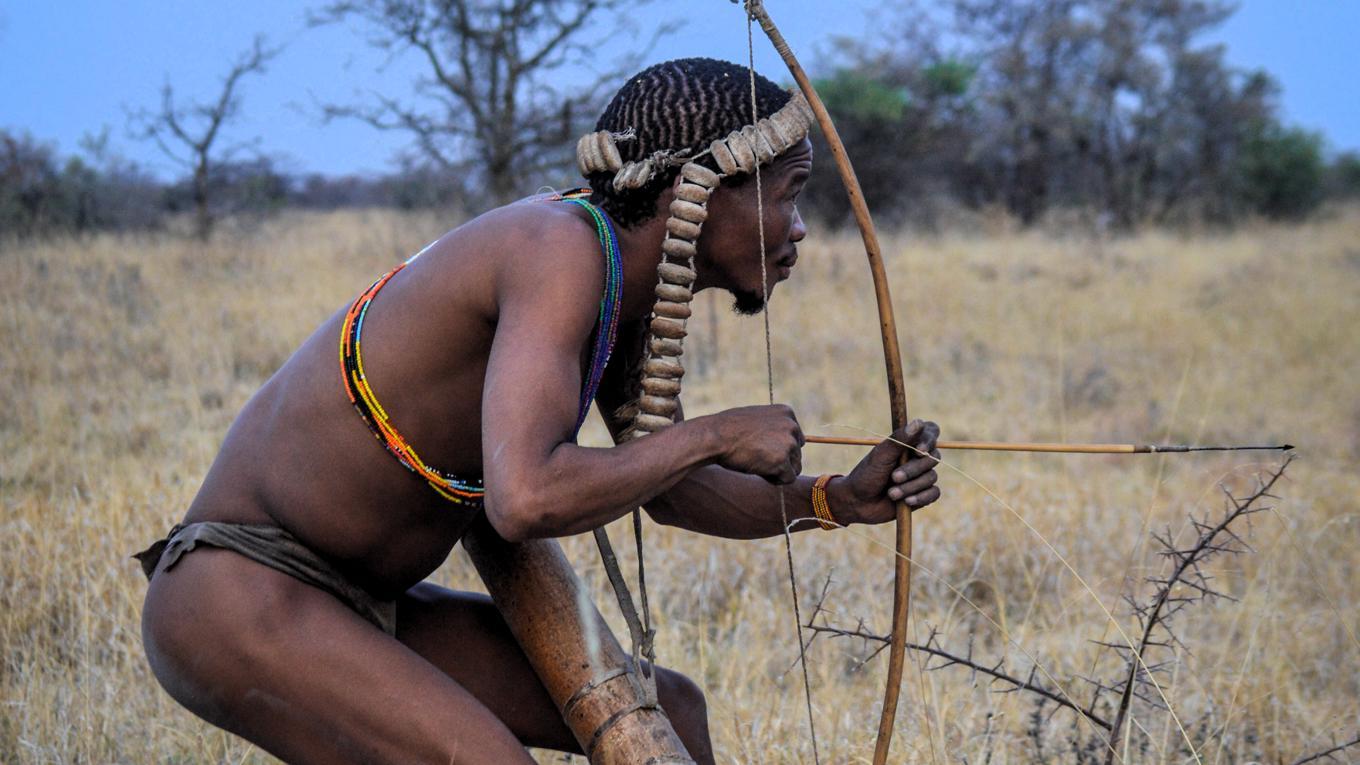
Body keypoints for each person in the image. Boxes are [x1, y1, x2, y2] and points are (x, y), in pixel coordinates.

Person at [136, 57, 942, 764]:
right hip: (240, 594)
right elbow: (525, 497)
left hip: (369, 604)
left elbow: (667, 490)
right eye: (789, 194)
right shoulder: (559, 249)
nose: (798, 229)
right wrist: (718, 432)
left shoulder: (621, 281)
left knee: (678, 713)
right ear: (695, 189)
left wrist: (836, 499)